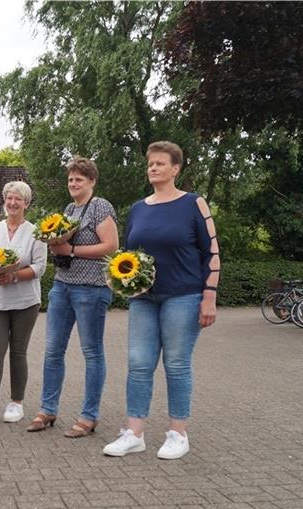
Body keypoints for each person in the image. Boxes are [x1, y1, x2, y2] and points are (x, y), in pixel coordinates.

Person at [102, 141, 219, 460]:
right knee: (138, 364)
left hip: (184, 296)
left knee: (176, 364)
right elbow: (126, 254)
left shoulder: (194, 203)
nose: (152, 168)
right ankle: (134, 434)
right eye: (150, 163)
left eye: (160, 163)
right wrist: (124, 283)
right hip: (144, 299)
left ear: (175, 168)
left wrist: (209, 295)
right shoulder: (139, 208)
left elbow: (212, 252)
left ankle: (178, 434)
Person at [28, 156, 119, 437]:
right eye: (70, 179)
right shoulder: (69, 209)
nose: (73, 183)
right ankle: (48, 409)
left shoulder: (100, 206)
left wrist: (71, 251)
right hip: (62, 286)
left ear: (92, 181)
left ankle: (89, 416)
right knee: (53, 350)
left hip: (91, 289)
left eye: (79, 179)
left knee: (91, 352)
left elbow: (111, 247)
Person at [0, 181, 48, 423]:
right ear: (4, 201)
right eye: (9, 198)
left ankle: (16, 403)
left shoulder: (35, 232)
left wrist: (14, 275)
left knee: (18, 351)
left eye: (18, 199)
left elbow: (40, 267)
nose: (13, 203)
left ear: (26, 203)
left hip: (26, 300)